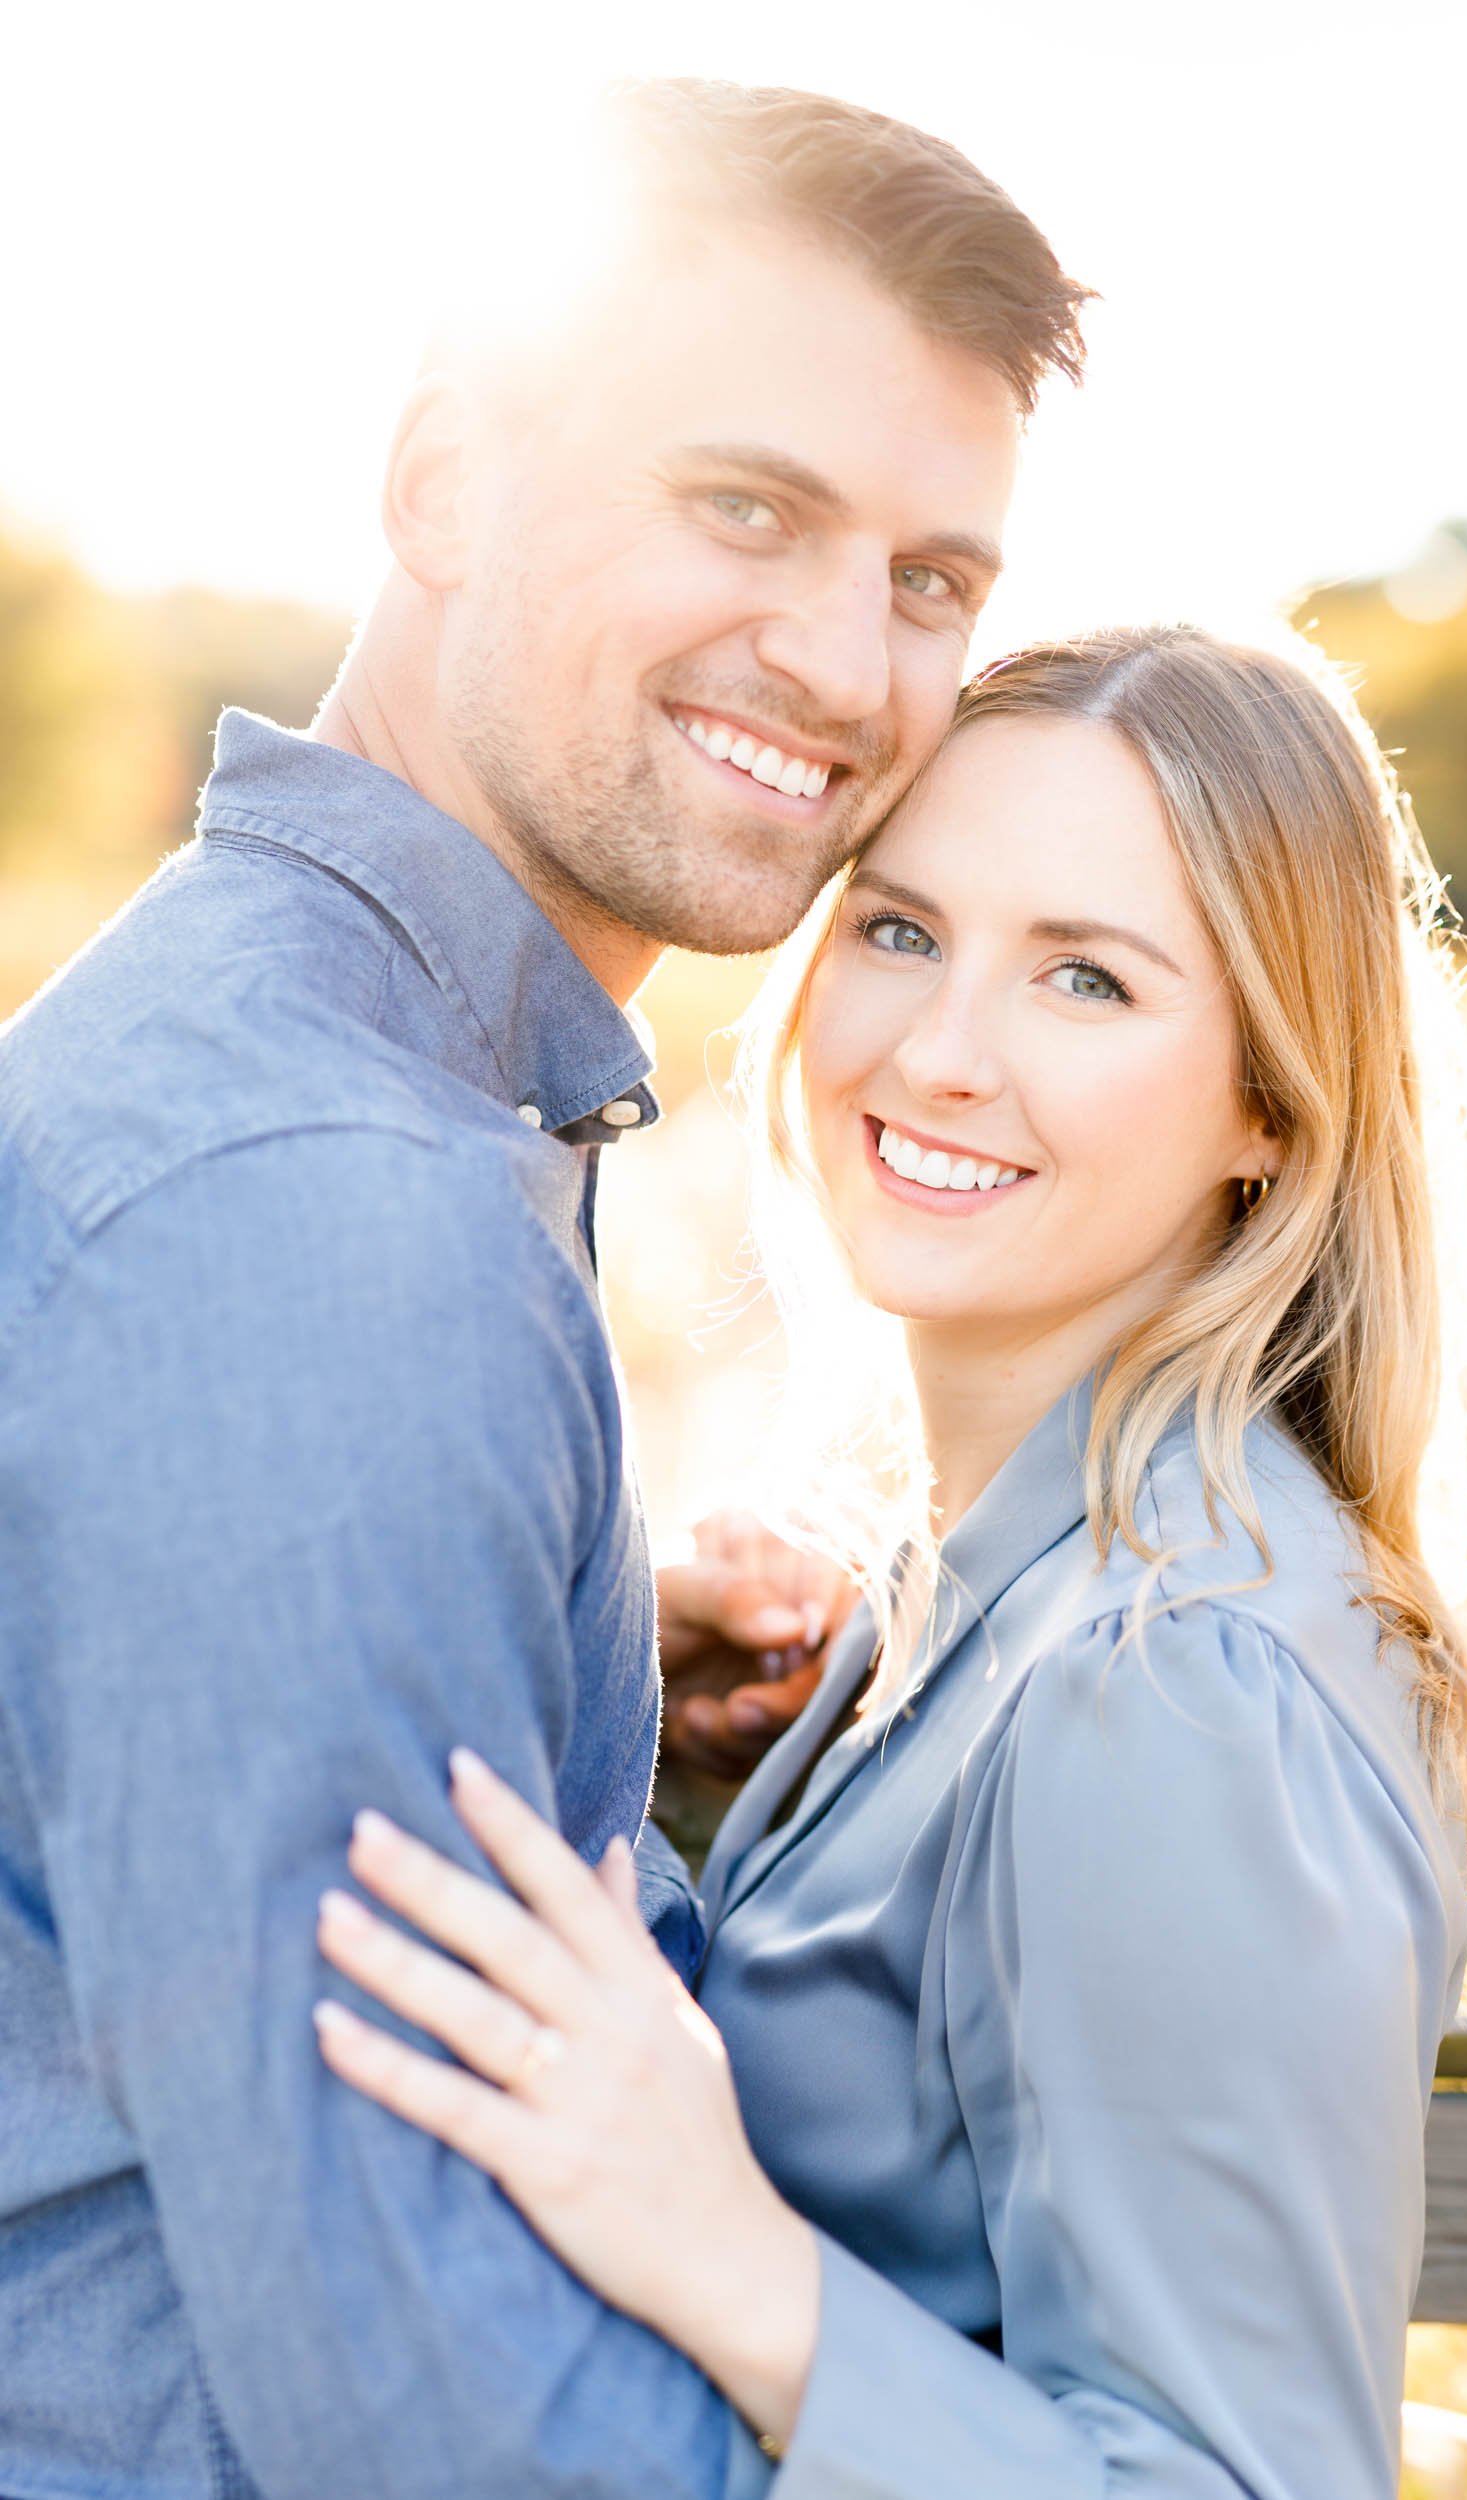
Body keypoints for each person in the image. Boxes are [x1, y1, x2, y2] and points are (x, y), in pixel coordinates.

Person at [0, 83, 1087, 2500]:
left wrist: (589, 1691)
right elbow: (418, 2404)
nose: (837, 657)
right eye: (743, 506)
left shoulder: (348, 1083)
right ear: (438, 492)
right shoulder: (321, 1217)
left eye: (931, 578)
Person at [312, 626, 1467, 2498]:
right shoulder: (1017, 1573)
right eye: (899, 928)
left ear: (1274, 1103)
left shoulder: (1180, 1686)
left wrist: (732, 2257)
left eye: (1088, 980)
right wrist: (732, 1753)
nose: (940, 1052)